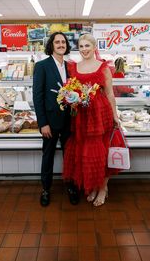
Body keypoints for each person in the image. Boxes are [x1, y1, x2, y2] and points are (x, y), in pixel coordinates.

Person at [63, 34, 119, 207]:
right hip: (81, 116)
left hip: (100, 115)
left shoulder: (103, 67)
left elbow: (109, 93)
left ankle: (103, 188)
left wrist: (115, 115)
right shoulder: (74, 67)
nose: (84, 49)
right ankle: (94, 186)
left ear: (94, 47)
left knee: (101, 152)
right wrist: (70, 99)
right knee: (87, 152)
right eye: (81, 46)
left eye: (87, 46)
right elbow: (70, 90)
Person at [33, 32, 79, 207]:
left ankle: (71, 186)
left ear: (66, 45)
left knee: (70, 156)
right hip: (50, 123)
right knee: (48, 156)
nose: (61, 44)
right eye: (57, 42)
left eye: (63, 42)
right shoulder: (42, 66)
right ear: (51, 45)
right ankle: (45, 189)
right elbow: (37, 97)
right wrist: (43, 123)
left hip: (69, 121)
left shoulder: (71, 67)